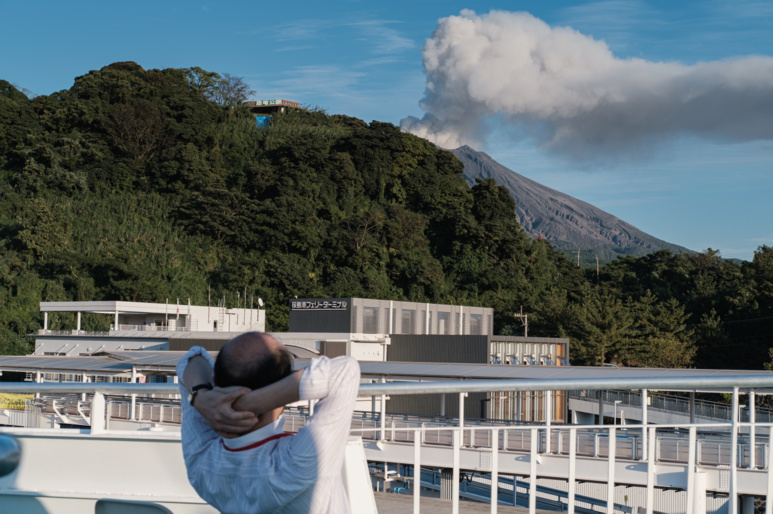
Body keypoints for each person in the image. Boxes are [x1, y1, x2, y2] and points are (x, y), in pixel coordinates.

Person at [176, 332, 360, 513]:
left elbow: (192, 358)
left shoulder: (201, 458)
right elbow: (345, 370)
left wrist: (200, 395)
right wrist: (250, 402)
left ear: (214, 381)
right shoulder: (295, 461)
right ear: (282, 391)